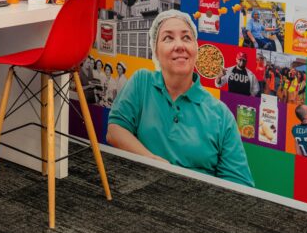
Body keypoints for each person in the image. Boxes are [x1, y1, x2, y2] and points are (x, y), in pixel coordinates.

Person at [107, 10, 254, 187]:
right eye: (168, 38)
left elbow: (239, 186)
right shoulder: (142, 82)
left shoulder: (221, 115)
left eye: (186, 38)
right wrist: (153, 162)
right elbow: (115, 131)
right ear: (155, 51)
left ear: (195, 50)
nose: (179, 45)